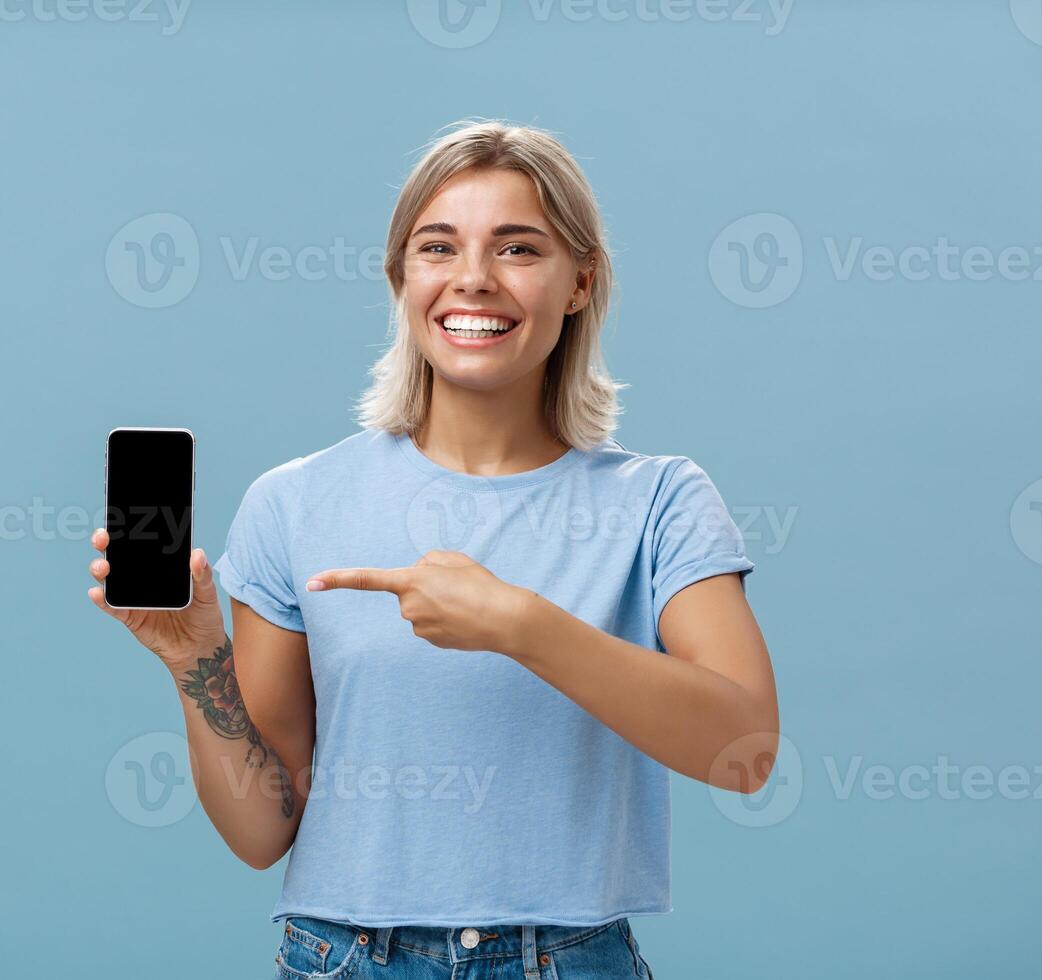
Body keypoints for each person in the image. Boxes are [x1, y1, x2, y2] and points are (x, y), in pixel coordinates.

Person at [87, 120, 778, 978]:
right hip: (344, 959)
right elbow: (262, 831)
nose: (473, 280)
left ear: (580, 282)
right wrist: (196, 661)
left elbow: (745, 750)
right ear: (401, 278)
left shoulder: (660, 502)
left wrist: (519, 623)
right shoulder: (293, 504)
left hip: (567, 961)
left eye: (519, 248)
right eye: (438, 248)